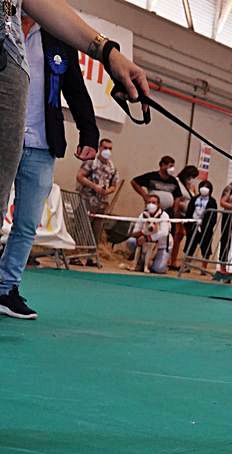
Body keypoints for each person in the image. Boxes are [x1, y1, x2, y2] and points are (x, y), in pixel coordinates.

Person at [1, 0, 147, 216]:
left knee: (24, 222)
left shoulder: (49, 37)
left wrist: (108, 53)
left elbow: (75, 90)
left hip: (37, 139)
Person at [0, 13, 99, 320]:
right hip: (4, 138)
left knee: (27, 223)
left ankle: (6, 289)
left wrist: (89, 132)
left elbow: (75, 89)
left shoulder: (58, 39)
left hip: (42, 144)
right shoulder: (6, 29)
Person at [125, 194, 171, 274]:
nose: (151, 204)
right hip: (145, 243)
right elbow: (135, 231)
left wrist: (147, 238)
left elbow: (164, 232)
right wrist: (141, 235)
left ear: (158, 204)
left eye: (154, 202)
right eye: (149, 202)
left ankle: (158, 263)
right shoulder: (143, 215)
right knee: (131, 241)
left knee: (158, 269)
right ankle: (140, 262)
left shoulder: (164, 215)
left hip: (161, 246)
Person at [76, 138, 119, 222]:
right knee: (82, 227)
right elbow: (80, 176)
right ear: (99, 148)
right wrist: (94, 187)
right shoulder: (91, 161)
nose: (107, 151)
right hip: (87, 201)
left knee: (96, 231)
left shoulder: (112, 167)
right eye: (105, 148)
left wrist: (107, 191)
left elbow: (114, 186)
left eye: (110, 148)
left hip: (102, 204)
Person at [167, 165, 200, 271]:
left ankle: (174, 260)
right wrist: (178, 207)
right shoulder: (177, 182)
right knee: (177, 235)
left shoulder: (192, 186)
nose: (191, 179)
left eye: (193, 177)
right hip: (178, 213)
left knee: (180, 237)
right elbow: (175, 198)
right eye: (190, 176)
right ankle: (171, 260)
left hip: (188, 215)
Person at [184, 179, 218, 273]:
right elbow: (189, 211)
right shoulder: (194, 199)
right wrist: (187, 225)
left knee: (206, 247)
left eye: (207, 187)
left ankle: (204, 268)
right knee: (190, 246)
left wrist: (208, 225)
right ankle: (186, 265)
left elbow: (214, 216)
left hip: (206, 227)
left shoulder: (212, 201)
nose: (204, 189)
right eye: (203, 186)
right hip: (193, 225)